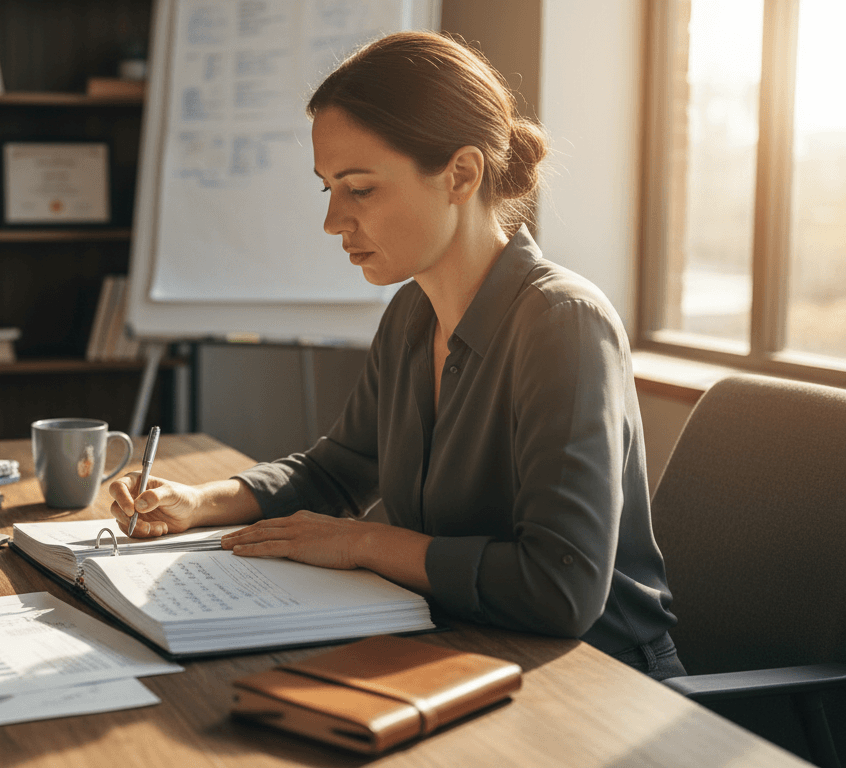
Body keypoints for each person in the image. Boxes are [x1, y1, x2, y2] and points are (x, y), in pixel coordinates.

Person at [108, 31, 684, 680]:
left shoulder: (563, 324)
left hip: (598, 683)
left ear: (461, 175)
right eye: (327, 188)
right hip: (462, 651)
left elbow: (559, 588)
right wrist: (199, 501)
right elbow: (337, 473)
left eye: (359, 189)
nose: (333, 222)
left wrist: (362, 542)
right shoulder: (412, 313)